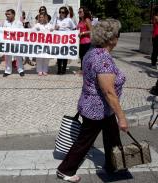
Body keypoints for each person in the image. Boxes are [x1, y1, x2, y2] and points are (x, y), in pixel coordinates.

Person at [56, 19, 128, 182]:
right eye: (118, 35)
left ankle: (113, 165)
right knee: (84, 141)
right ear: (112, 39)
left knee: (112, 138)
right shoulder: (103, 60)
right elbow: (108, 91)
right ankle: (65, 170)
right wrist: (122, 118)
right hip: (97, 109)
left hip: (99, 107)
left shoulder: (91, 51)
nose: (118, 38)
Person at [2, 9, 25, 77]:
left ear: (13, 14)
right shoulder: (5, 22)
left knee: (18, 57)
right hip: (8, 43)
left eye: (9, 14)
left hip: (16, 43)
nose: (7, 15)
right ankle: (8, 71)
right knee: (8, 57)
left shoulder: (18, 22)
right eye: (6, 14)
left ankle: (20, 70)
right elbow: (2, 31)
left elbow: (23, 32)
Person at [55, 6, 76, 74]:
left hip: (66, 40)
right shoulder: (57, 19)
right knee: (59, 55)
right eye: (60, 12)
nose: (61, 13)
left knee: (65, 55)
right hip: (59, 40)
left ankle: (63, 69)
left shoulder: (69, 20)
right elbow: (54, 29)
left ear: (66, 13)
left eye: (63, 12)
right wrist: (55, 28)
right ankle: (59, 69)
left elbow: (74, 28)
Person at [77, 7, 92, 71]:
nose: (79, 13)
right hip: (81, 42)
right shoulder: (80, 20)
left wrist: (83, 33)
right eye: (78, 12)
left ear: (84, 12)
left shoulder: (87, 20)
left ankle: (86, 70)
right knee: (81, 57)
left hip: (87, 41)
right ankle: (82, 70)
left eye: (80, 12)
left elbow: (91, 31)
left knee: (86, 57)